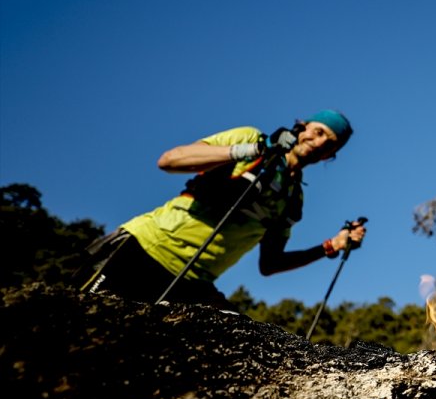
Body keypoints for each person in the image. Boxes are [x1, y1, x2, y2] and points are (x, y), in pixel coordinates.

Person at [76, 109, 366, 310]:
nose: (318, 142)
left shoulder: (292, 198)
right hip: (144, 250)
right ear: (301, 127)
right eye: (317, 131)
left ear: (331, 155)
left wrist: (331, 245)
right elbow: (170, 160)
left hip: (194, 284)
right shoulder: (251, 139)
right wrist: (255, 149)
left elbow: (270, 264)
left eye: (330, 143)